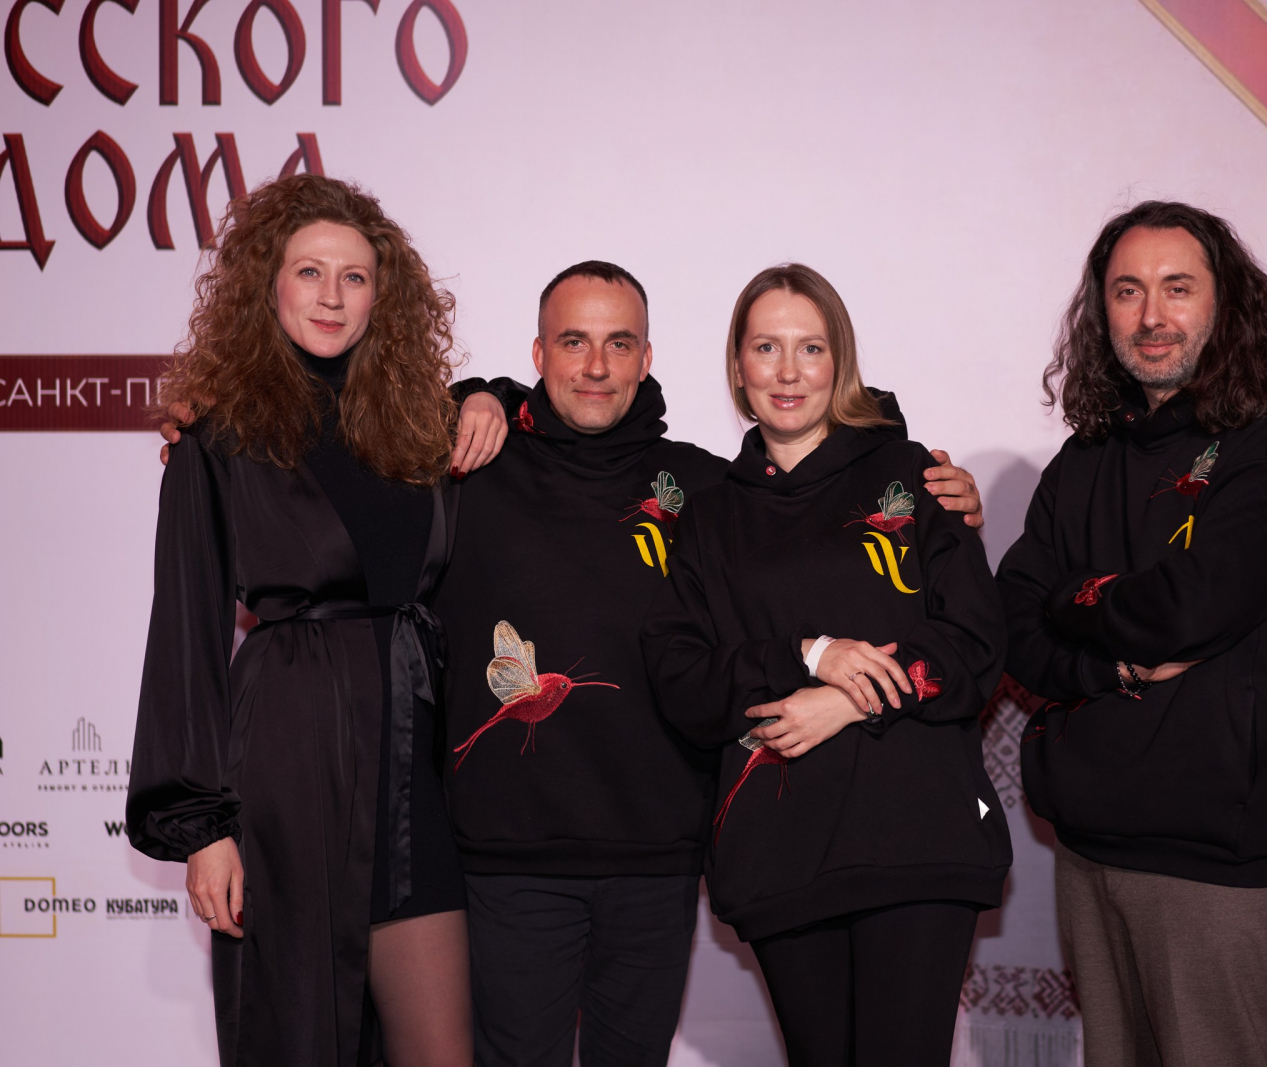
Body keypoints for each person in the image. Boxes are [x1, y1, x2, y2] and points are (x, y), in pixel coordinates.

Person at [430, 260, 989, 1067]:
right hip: (532, 857)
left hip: (688, 853)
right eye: (574, 342)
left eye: (620, 343)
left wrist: (931, 492)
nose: (596, 365)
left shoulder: (703, 485)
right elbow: (688, 674)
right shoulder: (486, 472)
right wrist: (476, 392)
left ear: (648, 357)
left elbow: (970, 634)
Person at [128, 173, 482, 1067]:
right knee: (296, 1041)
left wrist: (485, 395)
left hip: (413, 769)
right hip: (291, 773)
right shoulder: (218, 440)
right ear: (269, 285)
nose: (332, 296)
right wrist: (204, 829)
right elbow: (186, 640)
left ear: (382, 295)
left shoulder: (416, 428)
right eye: (310, 272)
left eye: (355, 276)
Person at [641, 264, 1011, 1067]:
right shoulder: (708, 515)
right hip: (780, 851)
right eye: (766, 347)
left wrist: (849, 699)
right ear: (737, 364)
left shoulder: (913, 476)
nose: (788, 371)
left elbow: (978, 645)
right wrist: (806, 656)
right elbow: (682, 679)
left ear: (840, 361)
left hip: (915, 840)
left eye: (810, 347)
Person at [995, 200, 1267, 1067]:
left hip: (1209, 858)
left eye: (1177, 288)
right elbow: (1012, 623)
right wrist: (1112, 671)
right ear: (1101, 311)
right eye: (1127, 290)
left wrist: (1070, 599)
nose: (1151, 315)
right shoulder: (1084, 459)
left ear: (1225, 302)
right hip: (1086, 846)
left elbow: (1188, 607)